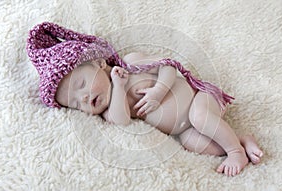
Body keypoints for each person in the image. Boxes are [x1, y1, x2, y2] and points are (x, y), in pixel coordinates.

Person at [27, 22, 263, 177]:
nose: (84, 98)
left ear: (100, 63)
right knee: (195, 143)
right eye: (76, 103)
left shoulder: (131, 63)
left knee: (200, 117)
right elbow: (122, 122)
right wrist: (118, 87)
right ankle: (241, 140)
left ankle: (236, 152)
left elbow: (168, 67)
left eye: (81, 85)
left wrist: (159, 91)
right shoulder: (111, 110)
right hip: (183, 130)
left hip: (199, 99)